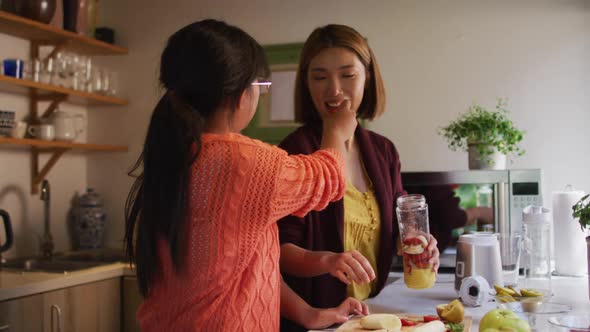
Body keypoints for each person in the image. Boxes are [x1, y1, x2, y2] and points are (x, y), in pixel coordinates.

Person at [123, 19, 366, 332]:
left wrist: (308, 314)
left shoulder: (175, 155)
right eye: (260, 86)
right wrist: (337, 127)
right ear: (238, 94)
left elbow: (245, 269)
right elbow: (329, 177)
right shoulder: (245, 162)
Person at [277, 24, 441, 331]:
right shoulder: (294, 151)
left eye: (347, 75)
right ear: (306, 83)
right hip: (319, 319)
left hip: (371, 315)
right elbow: (277, 251)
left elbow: (396, 232)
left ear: (368, 76)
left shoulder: (383, 151)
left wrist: (417, 245)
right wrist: (328, 260)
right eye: (319, 77)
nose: (334, 90)